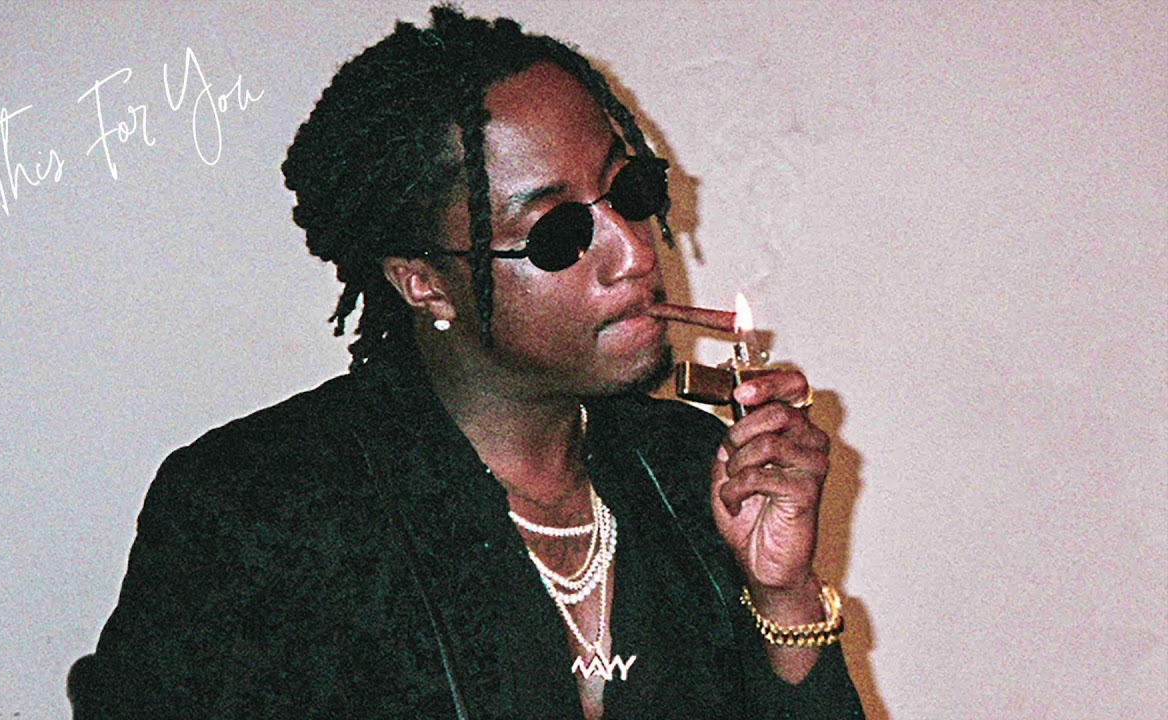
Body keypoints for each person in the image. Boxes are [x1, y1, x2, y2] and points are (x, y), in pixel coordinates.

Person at [68, 6, 863, 718]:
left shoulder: (695, 472)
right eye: (557, 233)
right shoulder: (260, 507)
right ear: (424, 283)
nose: (632, 253)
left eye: (629, 192)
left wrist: (782, 593)